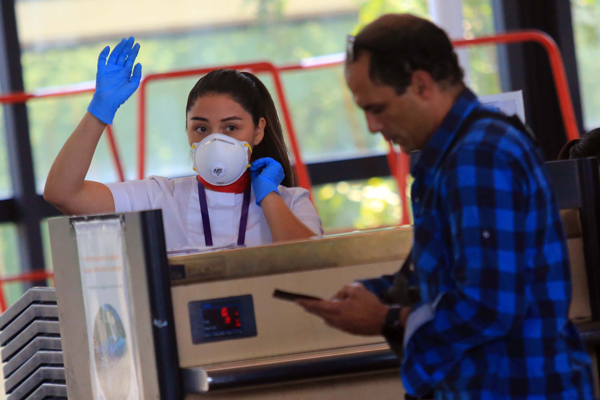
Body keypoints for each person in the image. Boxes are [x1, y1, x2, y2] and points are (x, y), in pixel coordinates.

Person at [297, 14, 594, 399]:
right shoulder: (456, 153)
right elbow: (453, 278)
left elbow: (488, 306)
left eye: (378, 107)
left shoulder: (478, 156)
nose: (371, 126)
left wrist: (386, 318)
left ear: (421, 85)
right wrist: (378, 293)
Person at [44, 37, 323, 251]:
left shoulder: (291, 202)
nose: (215, 140)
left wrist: (269, 198)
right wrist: (100, 111)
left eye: (231, 127)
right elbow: (63, 193)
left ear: (258, 131)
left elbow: (312, 266)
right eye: (201, 128)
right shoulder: (160, 197)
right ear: (187, 132)